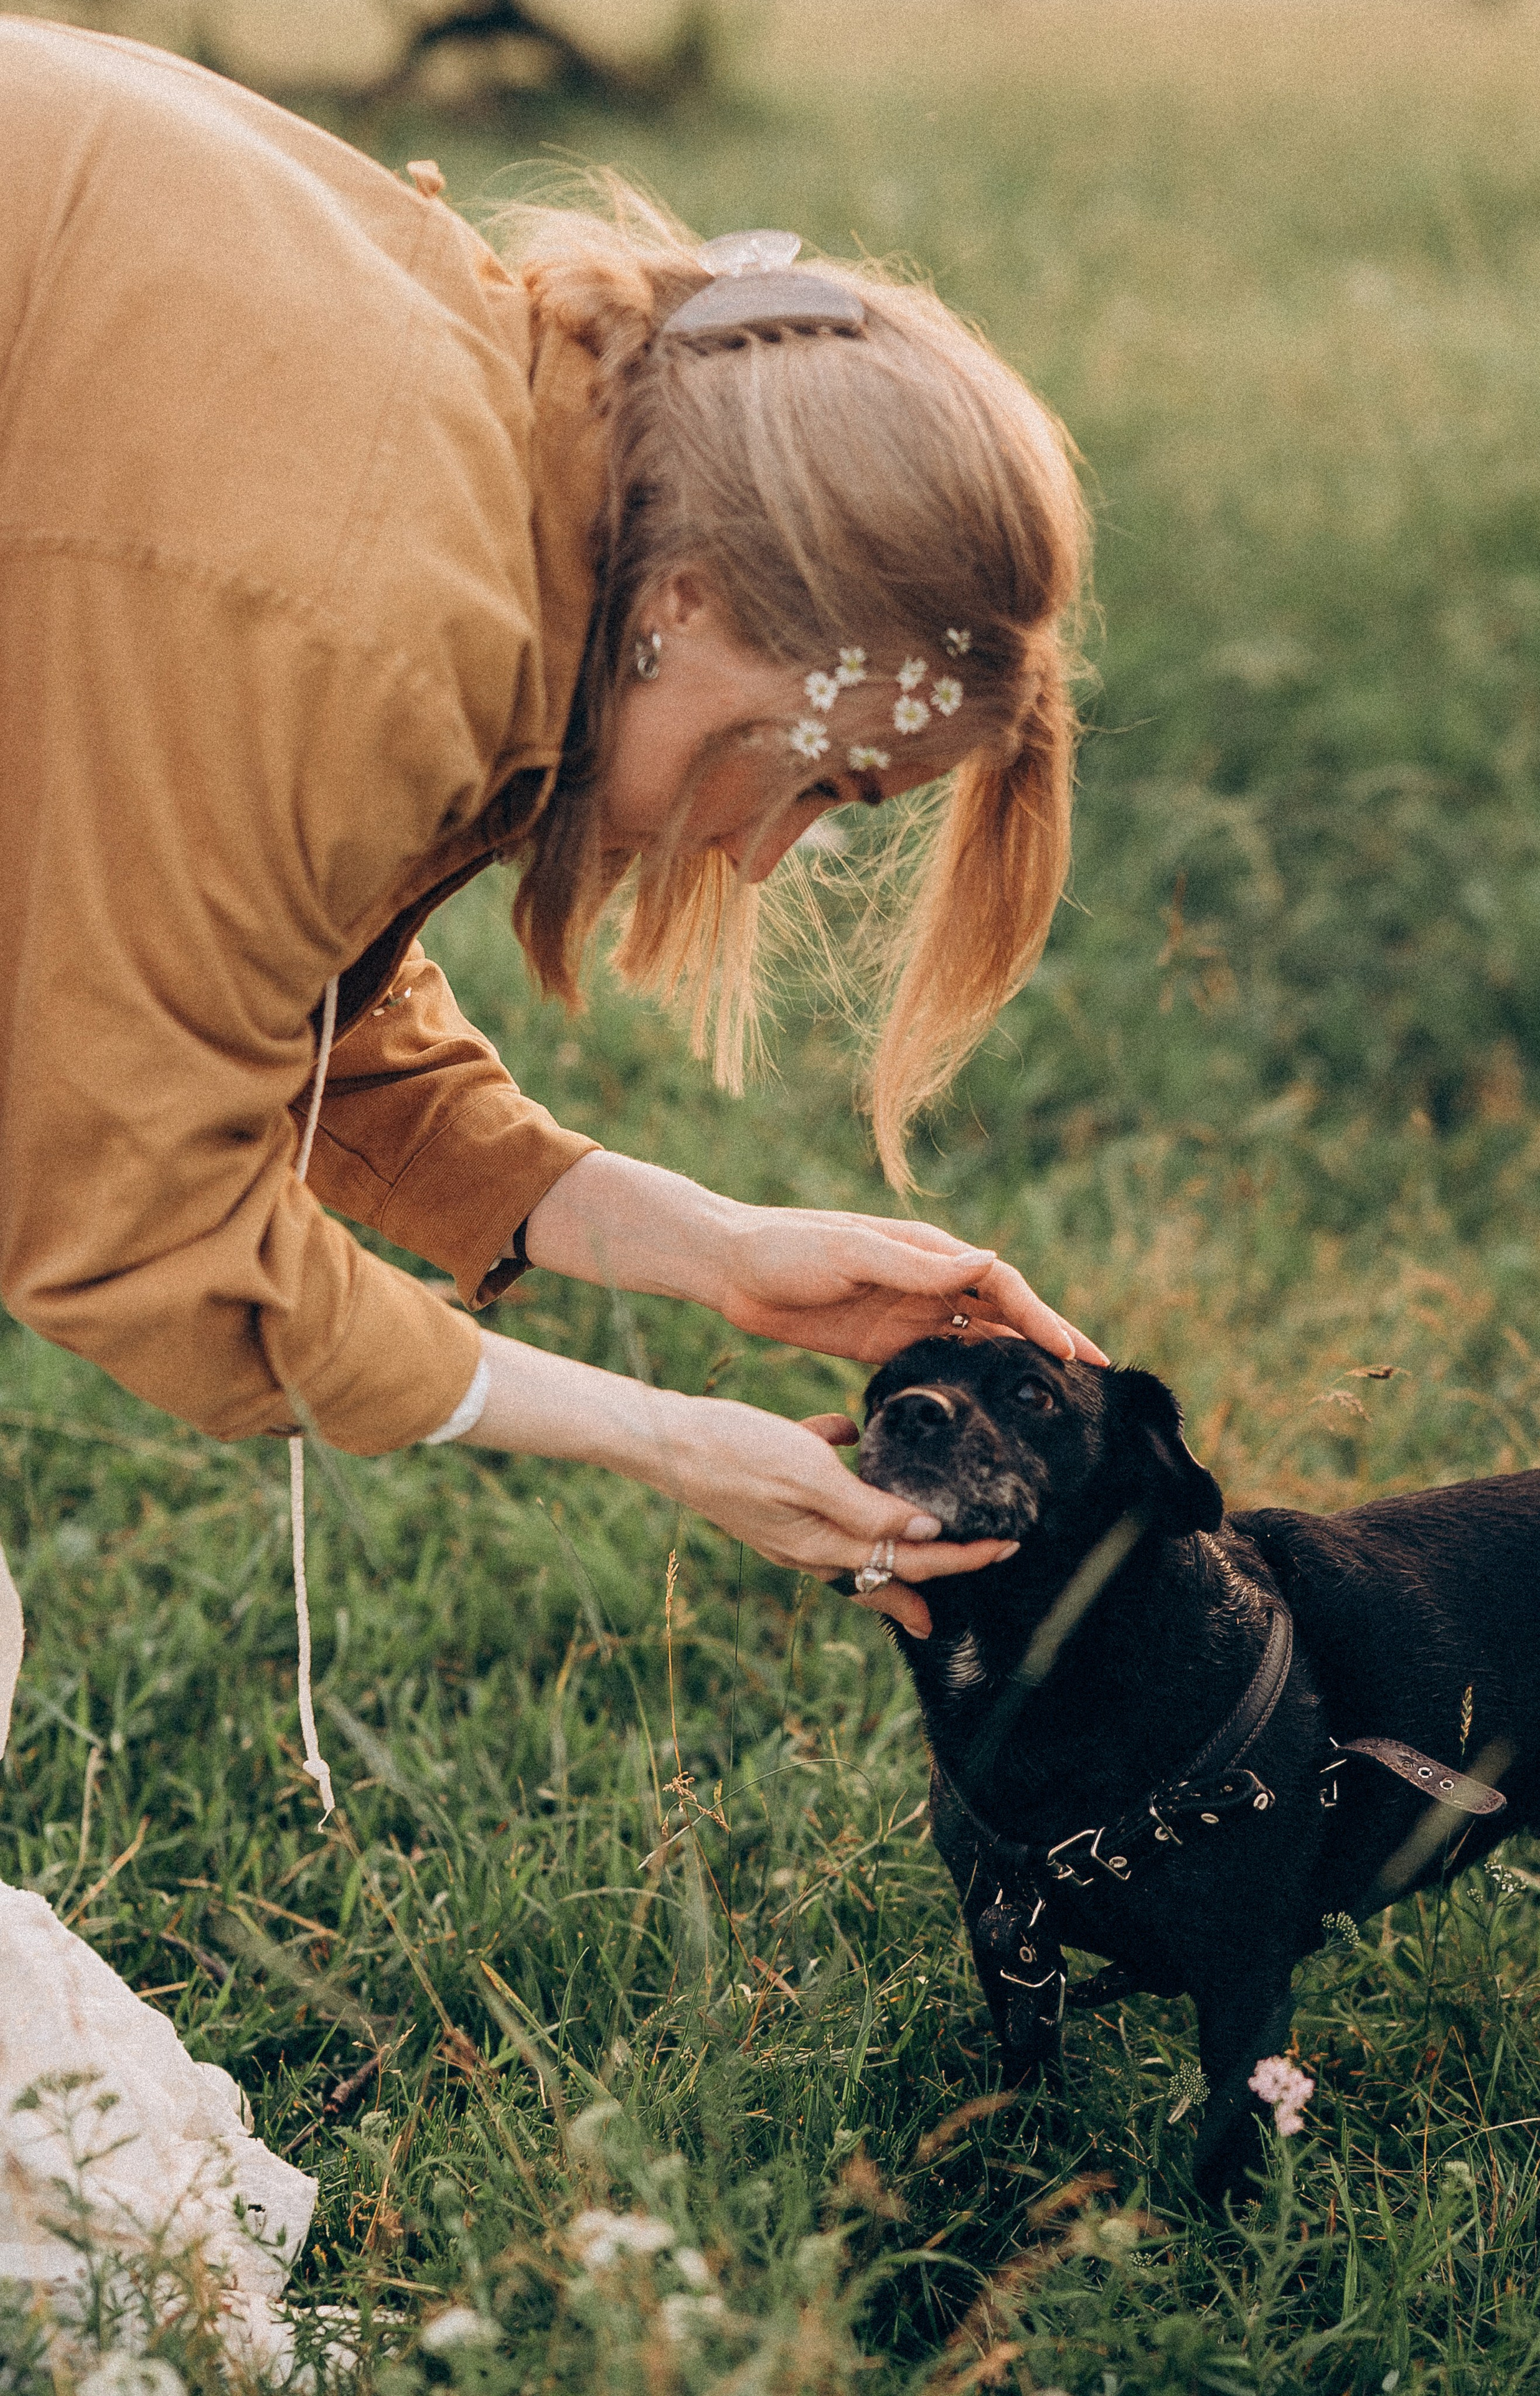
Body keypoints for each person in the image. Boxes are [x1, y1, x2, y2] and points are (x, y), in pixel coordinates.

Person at [0, 17, 1105, 1774]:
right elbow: (133, 1211)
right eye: (815, 779)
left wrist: (711, 1253)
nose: (759, 855)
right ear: (694, 602)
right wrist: (664, 1437)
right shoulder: (373, 621)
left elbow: (255, 968)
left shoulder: (502, 458)